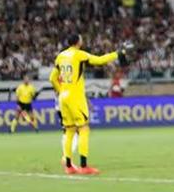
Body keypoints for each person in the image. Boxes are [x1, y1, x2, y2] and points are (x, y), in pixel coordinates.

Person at [51, 34, 128, 174]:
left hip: (63, 97)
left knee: (69, 130)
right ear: (78, 42)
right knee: (84, 129)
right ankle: (84, 166)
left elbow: (52, 78)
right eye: (81, 39)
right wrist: (117, 54)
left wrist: (62, 90)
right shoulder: (79, 54)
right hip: (75, 97)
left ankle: (68, 166)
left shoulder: (61, 56)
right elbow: (99, 60)